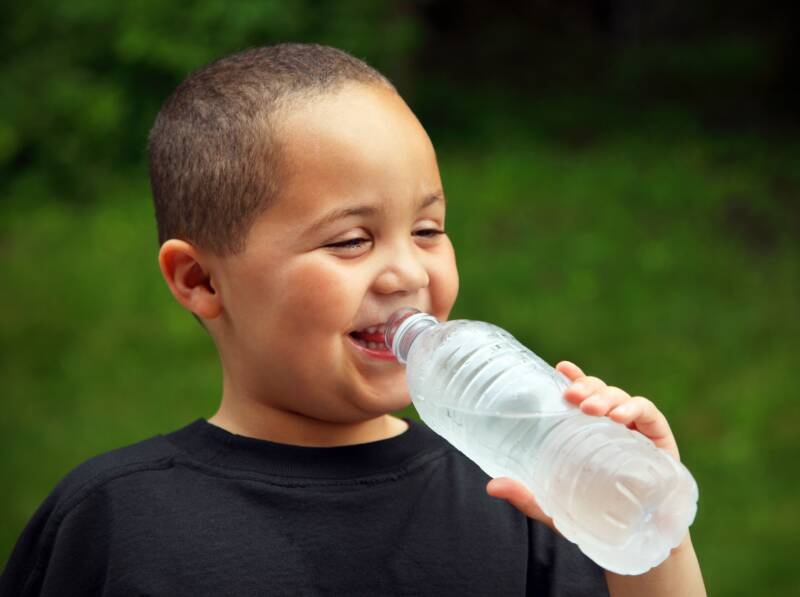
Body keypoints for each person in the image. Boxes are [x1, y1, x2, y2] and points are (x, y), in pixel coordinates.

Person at [0, 43, 706, 596]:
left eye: (428, 229)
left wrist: (645, 526)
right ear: (201, 279)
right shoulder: (116, 518)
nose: (407, 272)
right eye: (351, 240)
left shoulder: (521, 503)